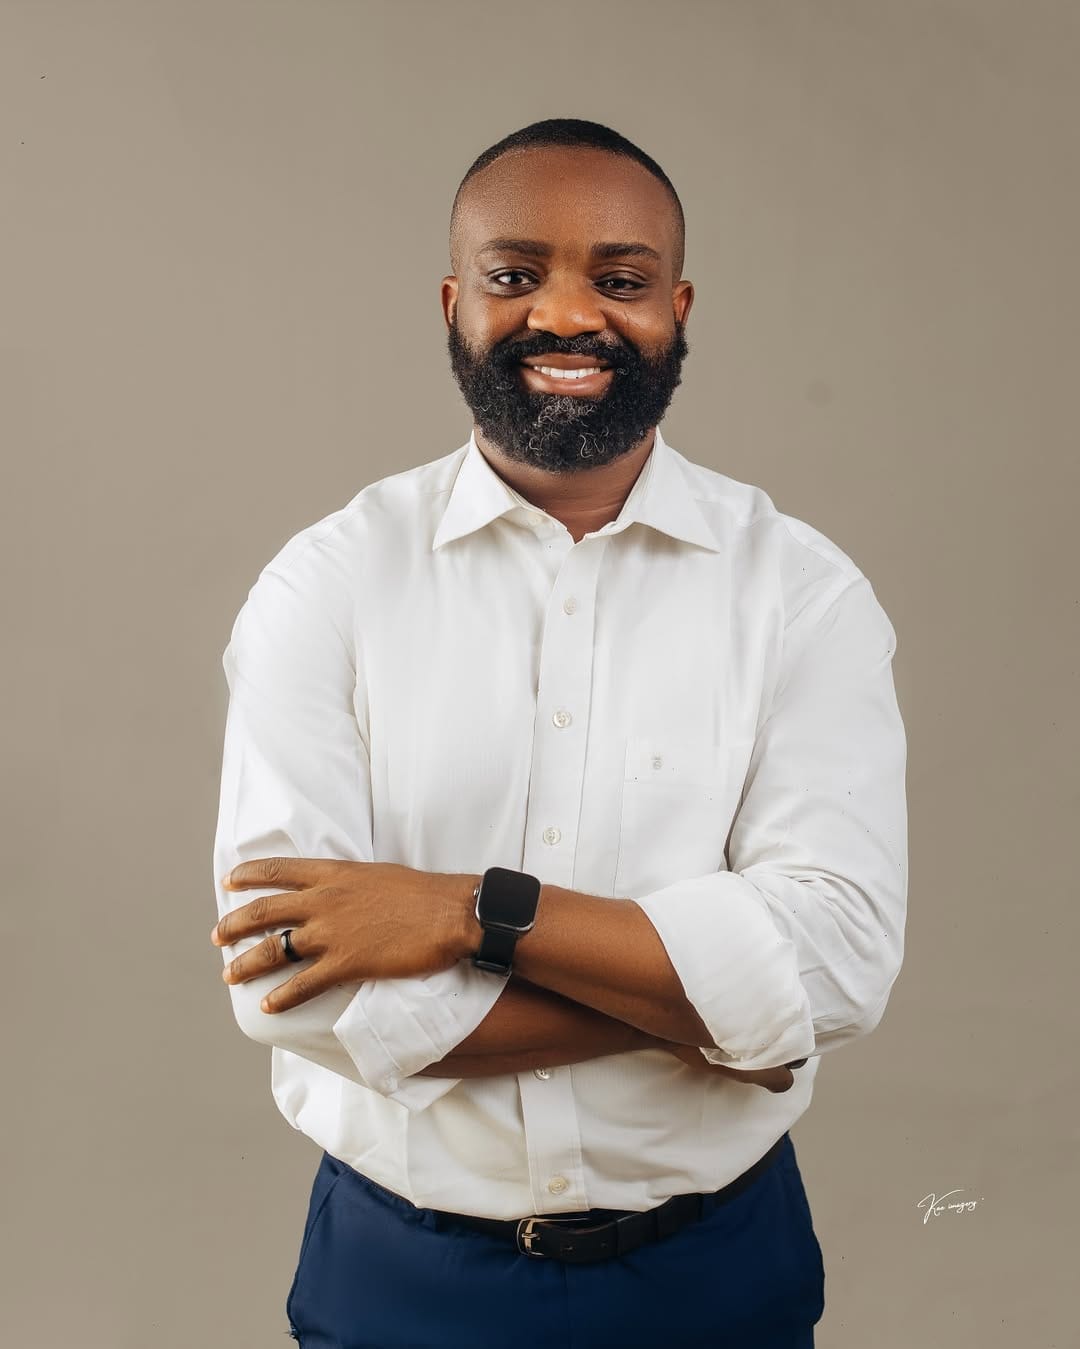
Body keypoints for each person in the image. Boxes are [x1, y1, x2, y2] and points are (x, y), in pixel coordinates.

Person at [210, 117, 908, 1349]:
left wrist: (466, 912)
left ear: (676, 308)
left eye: (621, 280)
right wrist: (720, 1009)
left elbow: (841, 957)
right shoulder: (327, 585)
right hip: (401, 1276)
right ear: (456, 302)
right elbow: (288, 987)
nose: (569, 314)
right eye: (515, 273)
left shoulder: (802, 592)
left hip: (714, 1275)